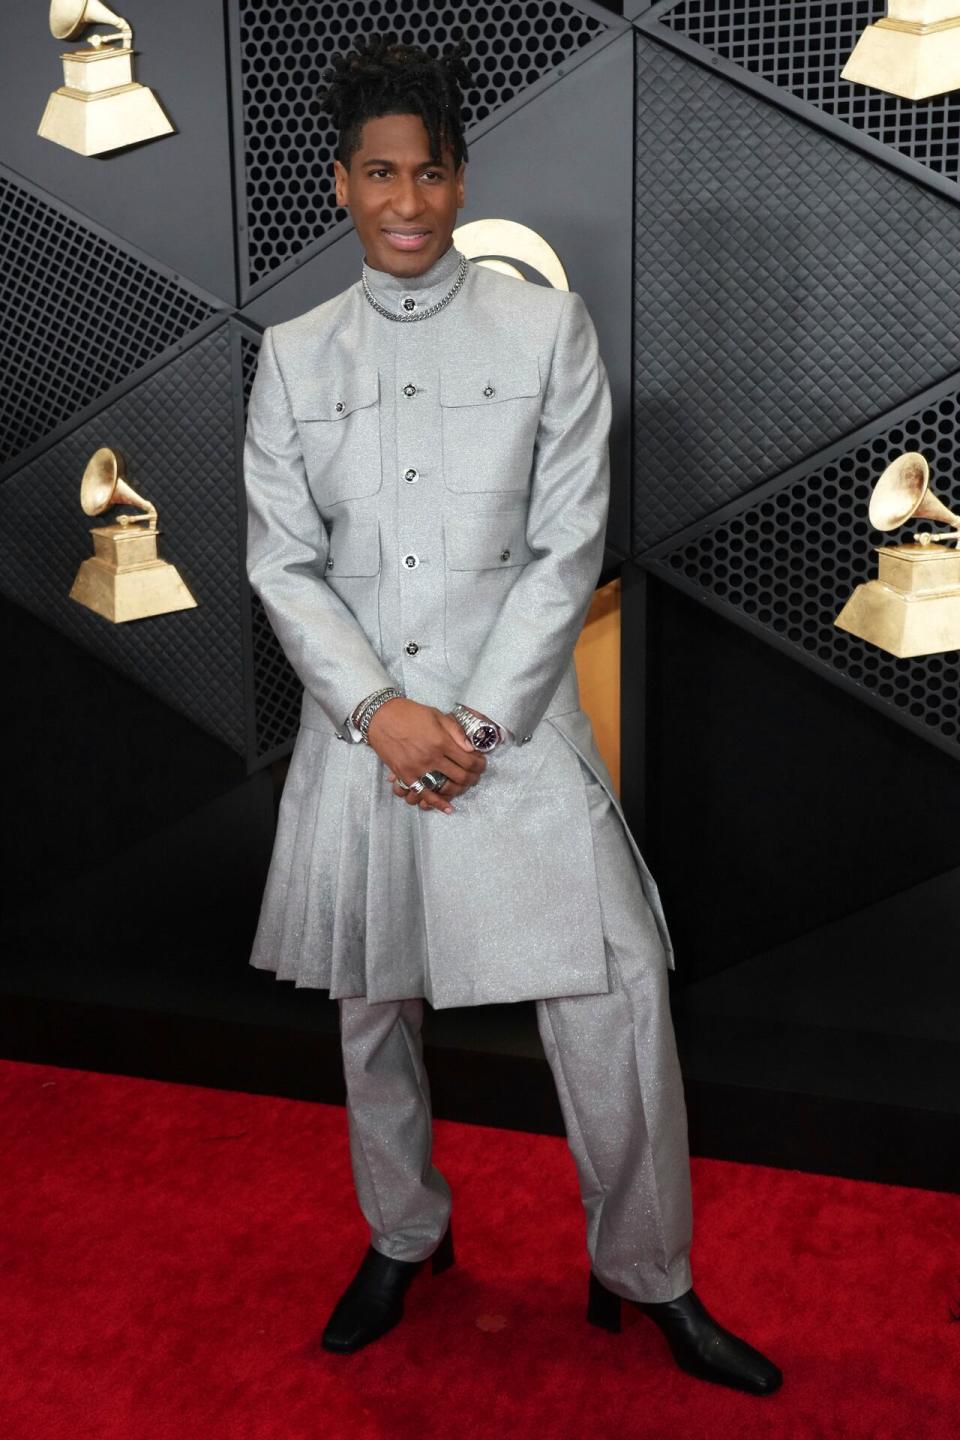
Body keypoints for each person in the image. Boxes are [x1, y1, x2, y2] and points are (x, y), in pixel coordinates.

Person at [242, 35, 782, 1397]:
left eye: (430, 172)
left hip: (517, 734)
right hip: (364, 740)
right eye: (381, 174)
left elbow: (567, 543)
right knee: (375, 1015)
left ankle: (647, 1272)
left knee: (615, 1001)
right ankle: (403, 1235)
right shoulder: (295, 355)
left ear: (460, 177)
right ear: (343, 184)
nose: (409, 200)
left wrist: (470, 722)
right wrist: (382, 713)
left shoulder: (548, 327)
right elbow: (279, 563)